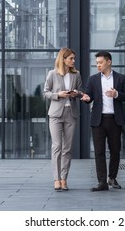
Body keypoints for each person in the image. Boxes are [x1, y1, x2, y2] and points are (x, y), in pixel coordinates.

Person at [81, 51, 125, 192]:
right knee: (99, 152)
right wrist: (86, 99)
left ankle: (112, 177)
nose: (98, 65)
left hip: (115, 120)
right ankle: (102, 182)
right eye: (97, 63)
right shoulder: (93, 79)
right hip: (99, 120)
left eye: (100, 62)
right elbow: (89, 96)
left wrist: (116, 94)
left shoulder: (120, 78)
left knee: (115, 151)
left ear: (109, 62)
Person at [43, 48, 83, 192]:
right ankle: (56, 179)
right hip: (55, 114)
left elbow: (80, 92)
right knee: (57, 146)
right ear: (63, 59)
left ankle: (64, 179)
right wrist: (58, 94)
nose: (73, 61)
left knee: (67, 148)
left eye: (73, 58)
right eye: (71, 58)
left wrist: (76, 93)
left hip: (71, 113)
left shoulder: (76, 74)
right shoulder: (52, 74)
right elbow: (46, 92)